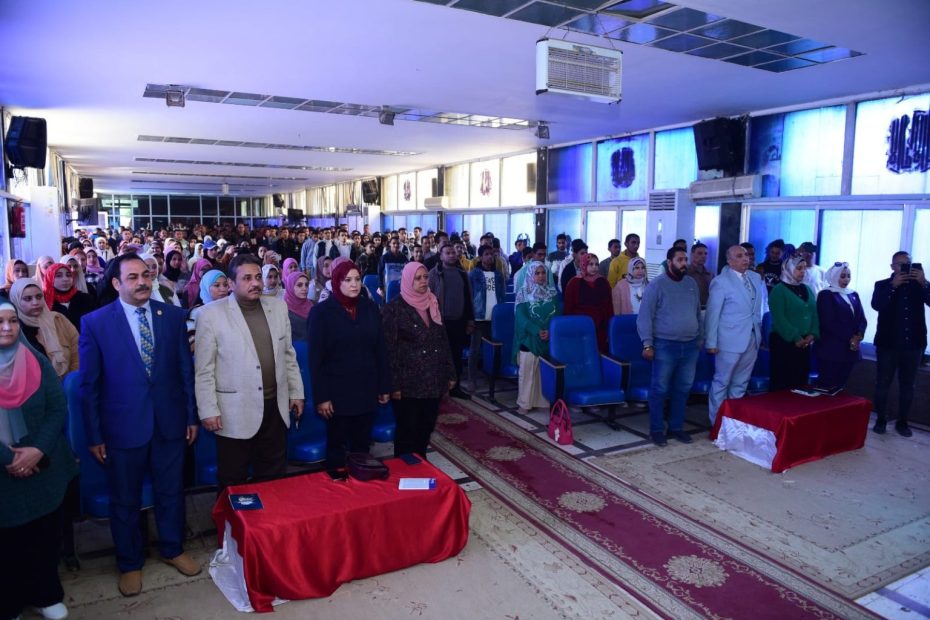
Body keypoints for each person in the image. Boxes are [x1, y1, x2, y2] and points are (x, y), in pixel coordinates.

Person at [78, 253, 200, 597]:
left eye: (146, 275)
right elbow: (90, 386)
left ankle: (173, 548)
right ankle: (130, 563)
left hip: (169, 422)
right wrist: (94, 435)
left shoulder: (172, 316)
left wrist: (190, 416)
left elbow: (185, 371)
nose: (142, 282)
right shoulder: (96, 323)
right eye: (132, 277)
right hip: (122, 427)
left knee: (171, 492)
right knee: (125, 499)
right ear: (116, 283)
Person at [195, 254, 304, 488]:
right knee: (233, 480)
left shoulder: (278, 307)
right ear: (231, 284)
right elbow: (204, 370)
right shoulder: (210, 315)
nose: (255, 283)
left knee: (273, 477)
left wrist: (296, 392)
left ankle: (271, 513)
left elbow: (288, 354)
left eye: (257, 277)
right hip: (234, 412)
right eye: (246, 278)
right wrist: (208, 410)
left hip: (275, 409)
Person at [0, 302, 78, 620]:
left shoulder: (35, 360)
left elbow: (57, 408)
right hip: (4, 479)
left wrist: (37, 450)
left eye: (13, 321)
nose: (7, 328)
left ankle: (45, 595)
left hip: (44, 469)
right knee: (8, 545)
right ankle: (9, 604)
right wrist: (10, 458)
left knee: (45, 537)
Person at [308, 260, 391, 470]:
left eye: (357, 279)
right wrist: (322, 397)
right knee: (337, 447)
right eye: (347, 280)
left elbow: (380, 349)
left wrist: (384, 386)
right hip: (337, 394)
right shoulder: (321, 313)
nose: (354, 284)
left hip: (366, 390)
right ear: (337, 282)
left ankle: (361, 484)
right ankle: (338, 485)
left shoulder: (370, 308)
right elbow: (316, 360)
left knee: (362, 447)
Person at [382, 262, 455, 459]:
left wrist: (450, 373)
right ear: (407, 280)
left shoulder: (432, 301)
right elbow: (389, 350)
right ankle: (405, 469)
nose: (424, 281)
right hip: (408, 384)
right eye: (418, 278)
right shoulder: (394, 309)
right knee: (407, 431)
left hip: (433, 380)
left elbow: (443, 340)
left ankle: (421, 463)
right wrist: (393, 385)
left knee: (426, 427)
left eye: (425, 277)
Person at [637, 246, 702, 446]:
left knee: (683, 388)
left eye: (685, 260)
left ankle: (676, 427)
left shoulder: (691, 283)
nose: (684, 263)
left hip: (690, 345)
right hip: (665, 345)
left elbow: (697, 312)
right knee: (660, 389)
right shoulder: (657, 285)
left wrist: (700, 337)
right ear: (669, 262)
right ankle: (657, 430)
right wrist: (647, 344)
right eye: (680, 260)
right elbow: (644, 316)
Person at [871, 252, 929, 436]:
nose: (904, 267)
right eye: (900, 264)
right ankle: (881, 420)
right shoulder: (882, 285)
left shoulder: (920, 285)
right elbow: (877, 305)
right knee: (882, 384)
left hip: (914, 344)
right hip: (887, 345)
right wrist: (892, 286)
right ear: (892, 267)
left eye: (908, 263)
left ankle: (903, 422)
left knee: (908, 386)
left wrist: (924, 282)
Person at [704, 246, 764, 425]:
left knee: (741, 383)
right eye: (739, 256)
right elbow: (712, 314)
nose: (745, 258)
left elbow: (757, 310)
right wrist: (711, 342)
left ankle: (732, 423)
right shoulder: (721, 282)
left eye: (746, 255)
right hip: (728, 339)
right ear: (729, 261)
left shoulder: (755, 277)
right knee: (722, 382)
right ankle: (716, 423)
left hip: (752, 337)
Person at [428, 243, 474, 399]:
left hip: (459, 321)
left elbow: (468, 298)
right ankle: (438, 388)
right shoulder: (434, 274)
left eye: (453, 253)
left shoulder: (462, 273)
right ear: (441, 256)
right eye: (448, 253)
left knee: (456, 356)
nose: (452, 255)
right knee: (439, 356)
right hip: (440, 322)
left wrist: (470, 320)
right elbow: (428, 298)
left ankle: (455, 387)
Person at [513, 261, 560, 412]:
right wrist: (536, 330)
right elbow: (520, 317)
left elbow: (557, 315)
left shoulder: (552, 293)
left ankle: (542, 402)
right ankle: (524, 404)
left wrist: (550, 331)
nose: (541, 276)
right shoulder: (523, 293)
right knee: (527, 373)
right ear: (530, 275)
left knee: (543, 373)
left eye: (543, 273)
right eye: (537, 273)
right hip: (529, 339)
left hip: (548, 338)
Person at [768, 255, 819, 391]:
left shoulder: (807, 289)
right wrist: (796, 337)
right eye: (799, 268)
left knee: (801, 381)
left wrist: (812, 334)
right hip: (784, 342)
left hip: (805, 342)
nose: (803, 271)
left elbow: (814, 313)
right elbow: (779, 318)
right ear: (789, 269)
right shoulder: (778, 290)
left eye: (804, 268)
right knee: (783, 381)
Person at [9, 279, 79, 378]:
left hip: (68, 381)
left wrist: (71, 379)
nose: (35, 302)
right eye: (28, 299)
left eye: (39, 297)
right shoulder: (12, 329)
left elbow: (77, 351)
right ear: (16, 301)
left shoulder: (58, 319)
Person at [815, 262, 867, 389]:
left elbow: (861, 318)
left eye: (848, 276)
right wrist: (851, 338)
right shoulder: (826, 294)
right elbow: (828, 322)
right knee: (827, 385)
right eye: (842, 276)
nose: (846, 279)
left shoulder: (853, 294)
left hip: (850, 348)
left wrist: (858, 336)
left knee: (840, 386)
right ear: (834, 276)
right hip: (831, 349)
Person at [469, 246, 505, 385]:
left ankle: (492, 377)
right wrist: (470, 317)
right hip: (479, 316)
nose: (490, 256)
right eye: (487, 254)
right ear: (480, 257)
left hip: (494, 317)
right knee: (475, 349)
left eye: (492, 254)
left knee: (492, 349)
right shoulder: (474, 274)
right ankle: (472, 379)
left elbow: (502, 295)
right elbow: (470, 295)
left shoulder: (498, 275)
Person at [563, 253, 612, 353]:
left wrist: (609, 328)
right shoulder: (574, 283)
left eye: (597, 264)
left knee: (599, 353)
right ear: (583, 264)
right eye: (591, 264)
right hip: (579, 326)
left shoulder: (603, 282)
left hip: (600, 327)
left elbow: (609, 307)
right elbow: (568, 308)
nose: (594, 267)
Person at [43, 263, 96, 332]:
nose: (65, 279)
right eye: (58, 276)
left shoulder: (86, 299)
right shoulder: (44, 302)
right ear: (49, 278)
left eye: (68, 275)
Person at [284, 270, 312, 342]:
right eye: (299, 285)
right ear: (290, 287)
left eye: (306, 285)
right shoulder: (284, 311)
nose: (304, 288)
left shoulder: (313, 306)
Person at [686, 242, 713, 307]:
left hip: (707, 308)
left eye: (705, 254)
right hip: (690, 308)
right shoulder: (686, 273)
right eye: (700, 253)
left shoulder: (710, 274)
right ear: (692, 254)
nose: (703, 256)